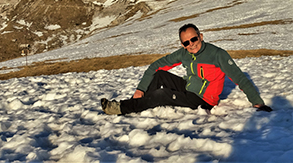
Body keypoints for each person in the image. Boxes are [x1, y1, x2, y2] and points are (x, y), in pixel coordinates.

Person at [101, 23, 272, 115]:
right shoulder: (184, 53)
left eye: (194, 39)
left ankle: (122, 108)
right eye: (186, 42)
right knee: (160, 75)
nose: (191, 44)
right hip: (188, 88)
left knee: (162, 94)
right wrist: (140, 89)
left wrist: (257, 102)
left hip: (203, 100)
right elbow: (155, 66)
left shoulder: (217, 54)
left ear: (201, 36)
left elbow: (239, 78)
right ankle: (138, 103)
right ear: (182, 44)